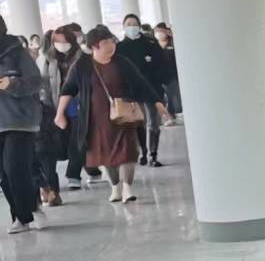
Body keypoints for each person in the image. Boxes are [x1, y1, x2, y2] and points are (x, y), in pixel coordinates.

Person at [54, 24, 167, 204]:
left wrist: (157, 102)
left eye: (111, 40)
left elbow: (140, 83)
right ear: (94, 46)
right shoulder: (82, 65)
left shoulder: (122, 62)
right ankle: (115, 187)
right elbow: (68, 89)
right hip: (96, 119)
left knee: (128, 152)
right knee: (106, 154)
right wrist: (59, 114)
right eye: (105, 42)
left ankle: (127, 189)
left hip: (124, 117)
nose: (111, 45)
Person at [0, 14, 45, 233]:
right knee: (3, 173)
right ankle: (20, 214)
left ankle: (26, 214)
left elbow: (36, 82)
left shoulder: (16, 52)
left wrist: (12, 84)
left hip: (19, 121)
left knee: (14, 168)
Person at [37, 24, 91, 195]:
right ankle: (87, 169)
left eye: (63, 41)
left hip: (78, 103)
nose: (60, 44)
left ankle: (73, 175)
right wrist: (46, 104)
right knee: (60, 141)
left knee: (79, 139)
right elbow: (44, 83)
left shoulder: (83, 58)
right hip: (55, 104)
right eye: (57, 41)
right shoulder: (48, 59)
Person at [117, 13, 170, 166]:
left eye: (134, 23)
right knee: (139, 122)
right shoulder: (120, 47)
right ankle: (143, 152)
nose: (131, 27)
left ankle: (154, 153)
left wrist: (159, 80)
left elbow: (162, 65)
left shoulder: (151, 44)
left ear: (139, 25)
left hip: (153, 89)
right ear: (124, 27)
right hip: (132, 92)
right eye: (128, 24)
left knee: (154, 122)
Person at [154, 24, 181, 122]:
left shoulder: (173, 43)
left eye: (161, 31)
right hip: (159, 76)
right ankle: (167, 116)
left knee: (173, 96)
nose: (159, 34)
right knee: (163, 98)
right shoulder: (154, 46)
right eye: (157, 31)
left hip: (172, 75)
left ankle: (174, 114)